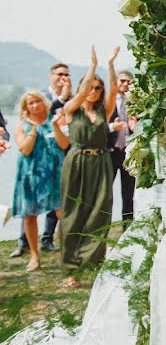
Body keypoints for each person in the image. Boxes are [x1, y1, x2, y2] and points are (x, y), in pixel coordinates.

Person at [59, 47, 121, 287]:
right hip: (76, 163)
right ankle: (72, 267)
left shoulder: (103, 112)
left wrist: (111, 64)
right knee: (73, 213)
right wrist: (93, 66)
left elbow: (114, 90)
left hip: (101, 162)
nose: (94, 92)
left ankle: (92, 264)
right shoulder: (71, 110)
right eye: (91, 87)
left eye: (98, 88)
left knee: (100, 211)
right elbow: (83, 89)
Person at [12, 92, 68, 272]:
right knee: (30, 215)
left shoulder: (56, 120)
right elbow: (25, 150)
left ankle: (69, 252)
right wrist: (34, 131)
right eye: (31, 103)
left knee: (63, 212)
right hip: (31, 175)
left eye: (38, 102)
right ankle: (35, 255)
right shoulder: (21, 126)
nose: (35, 105)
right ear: (25, 107)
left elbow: (64, 144)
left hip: (54, 173)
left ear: (44, 103)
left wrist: (55, 126)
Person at [109, 71, 136, 223]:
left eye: (129, 82)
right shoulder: (109, 100)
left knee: (128, 195)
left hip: (128, 152)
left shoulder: (135, 102)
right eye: (123, 81)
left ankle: (127, 229)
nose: (125, 84)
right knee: (106, 194)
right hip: (112, 151)